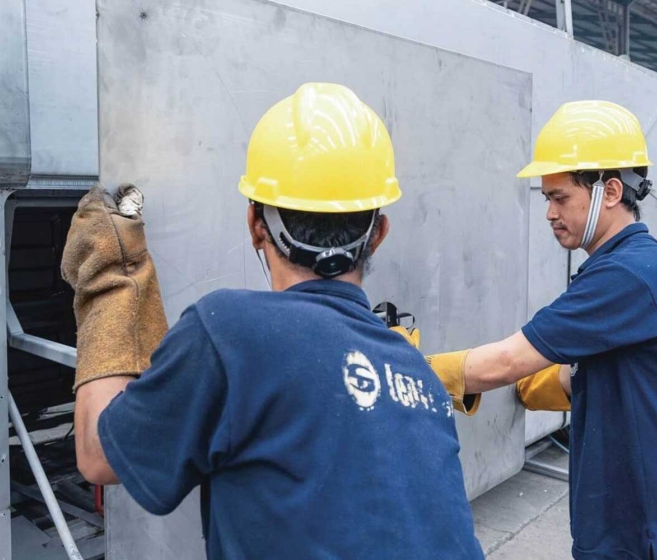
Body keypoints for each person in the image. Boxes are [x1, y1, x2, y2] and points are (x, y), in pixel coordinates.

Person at [61, 83, 486, 559]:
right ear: (379, 234)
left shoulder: (230, 330)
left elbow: (98, 455)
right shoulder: (420, 377)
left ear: (255, 224)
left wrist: (112, 277)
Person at [425, 100, 657, 559]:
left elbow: (506, 361)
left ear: (609, 191)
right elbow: (628, 372)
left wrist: (404, 366)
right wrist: (561, 380)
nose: (549, 212)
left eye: (559, 197)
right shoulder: (638, 263)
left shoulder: (627, 276)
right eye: (546, 198)